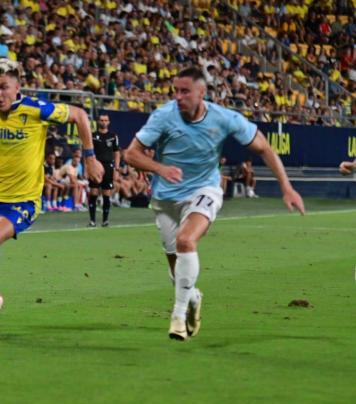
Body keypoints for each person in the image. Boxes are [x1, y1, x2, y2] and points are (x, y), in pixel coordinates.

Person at [123, 66, 305, 341]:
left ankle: (178, 317)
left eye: (185, 91)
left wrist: (286, 187)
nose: (179, 96)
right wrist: (159, 168)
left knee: (186, 241)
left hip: (204, 189)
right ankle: (193, 297)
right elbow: (131, 154)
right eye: (176, 90)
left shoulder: (223, 118)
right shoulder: (163, 116)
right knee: (177, 269)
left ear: (201, 92)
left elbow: (264, 147)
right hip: (166, 197)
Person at [0, 58, 103, 334]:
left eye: (4, 87)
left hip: (24, 200)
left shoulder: (36, 109)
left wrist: (90, 158)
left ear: (17, 87)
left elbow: (80, 115)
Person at [88, 114, 120, 227]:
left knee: (107, 193)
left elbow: (116, 153)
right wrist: (87, 167)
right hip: (95, 166)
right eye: (101, 120)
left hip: (108, 166)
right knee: (93, 193)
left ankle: (105, 220)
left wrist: (117, 168)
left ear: (109, 122)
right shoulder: (92, 136)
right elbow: (87, 153)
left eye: (106, 120)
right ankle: (92, 220)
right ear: (98, 122)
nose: (104, 122)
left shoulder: (113, 136)